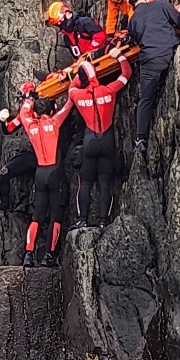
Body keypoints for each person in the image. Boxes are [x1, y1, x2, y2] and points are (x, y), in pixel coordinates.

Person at [124, 0, 180, 154]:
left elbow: (134, 40)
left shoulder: (133, 21)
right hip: (170, 51)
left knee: (146, 99)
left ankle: (141, 138)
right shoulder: (160, 5)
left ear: (131, 3)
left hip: (151, 60)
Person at [67, 50, 131, 228]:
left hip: (89, 142)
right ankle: (104, 221)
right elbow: (126, 74)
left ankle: (83, 219)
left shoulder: (77, 95)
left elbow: (72, 86)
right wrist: (119, 56)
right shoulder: (109, 89)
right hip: (107, 141)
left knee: (85, 182)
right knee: (105, 181)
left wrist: (80, 72)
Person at [19, 94, 73, 267]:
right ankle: (48, 256)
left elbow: (23, 113)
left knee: (37, 216)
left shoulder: (30, 125)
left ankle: (28, 254)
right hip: (55, 173)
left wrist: (28, 99)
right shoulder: (54, 122)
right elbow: (69, 104)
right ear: (50, 111)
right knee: (55, 216)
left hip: (40, 174)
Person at [0, 79, 41, 214]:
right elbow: (8, 129)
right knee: (3, 175)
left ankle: (6, 204)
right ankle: (7, 204)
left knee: (3, 175)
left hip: (39, 156)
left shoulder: (37, 112)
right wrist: (3, 121)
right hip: (38, 155)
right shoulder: (25, 114)